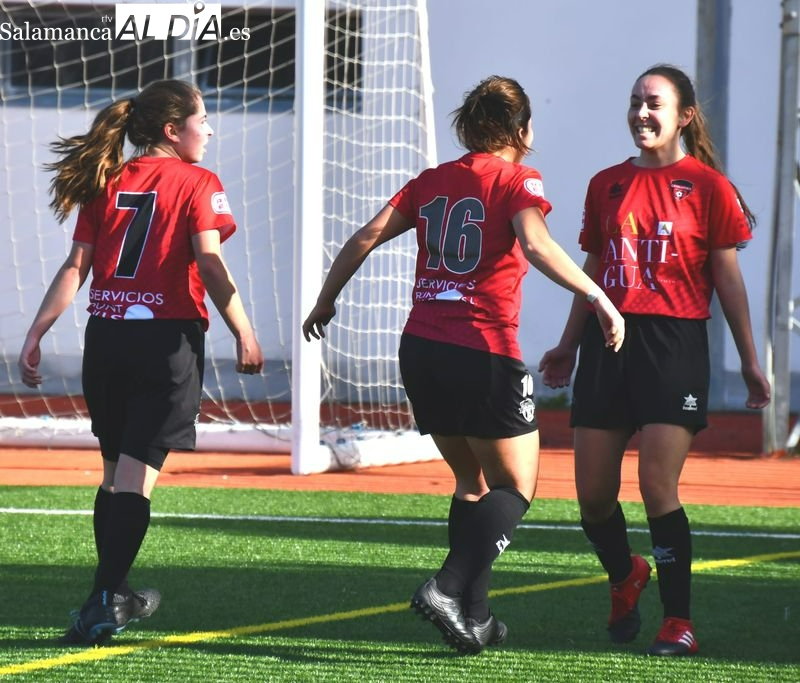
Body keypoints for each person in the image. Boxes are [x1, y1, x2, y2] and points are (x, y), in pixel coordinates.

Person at [302, 75, 625, 655]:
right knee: (517, 486)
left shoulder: (431, 182)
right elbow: (537, 244)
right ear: (523, 131)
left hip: (421, 350)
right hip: (482, 349)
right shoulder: (518, 178)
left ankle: (475, 615)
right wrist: (599, 297)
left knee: (471, 481)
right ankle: (449, 587)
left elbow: (366, 236)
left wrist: (327, 299)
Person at [18, 79, 264, 646]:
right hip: (166, 345)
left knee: (113, 476)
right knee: (133, 479)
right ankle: (106, 601)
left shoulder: (108, 180)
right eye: (203, 119)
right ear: (172, 130)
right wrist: (244, 332)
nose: (210, 129)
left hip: (105, 340)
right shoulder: (200, 182)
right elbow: (210, 263)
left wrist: (36, 332)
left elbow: (75, 267)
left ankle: (112, 593)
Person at [538, 64, 771, 656]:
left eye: (655, 103)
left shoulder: (709, 187)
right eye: (636, 101)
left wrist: (749, 360)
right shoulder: (605, 184)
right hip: (607, 343)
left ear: (684, 117)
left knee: (655, 485)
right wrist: (568, 342)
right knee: (592, 498)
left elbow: (728, 278)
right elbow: (591, 271)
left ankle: (678, 622)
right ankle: (625, 575)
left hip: (674, 347)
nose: (642, 112)